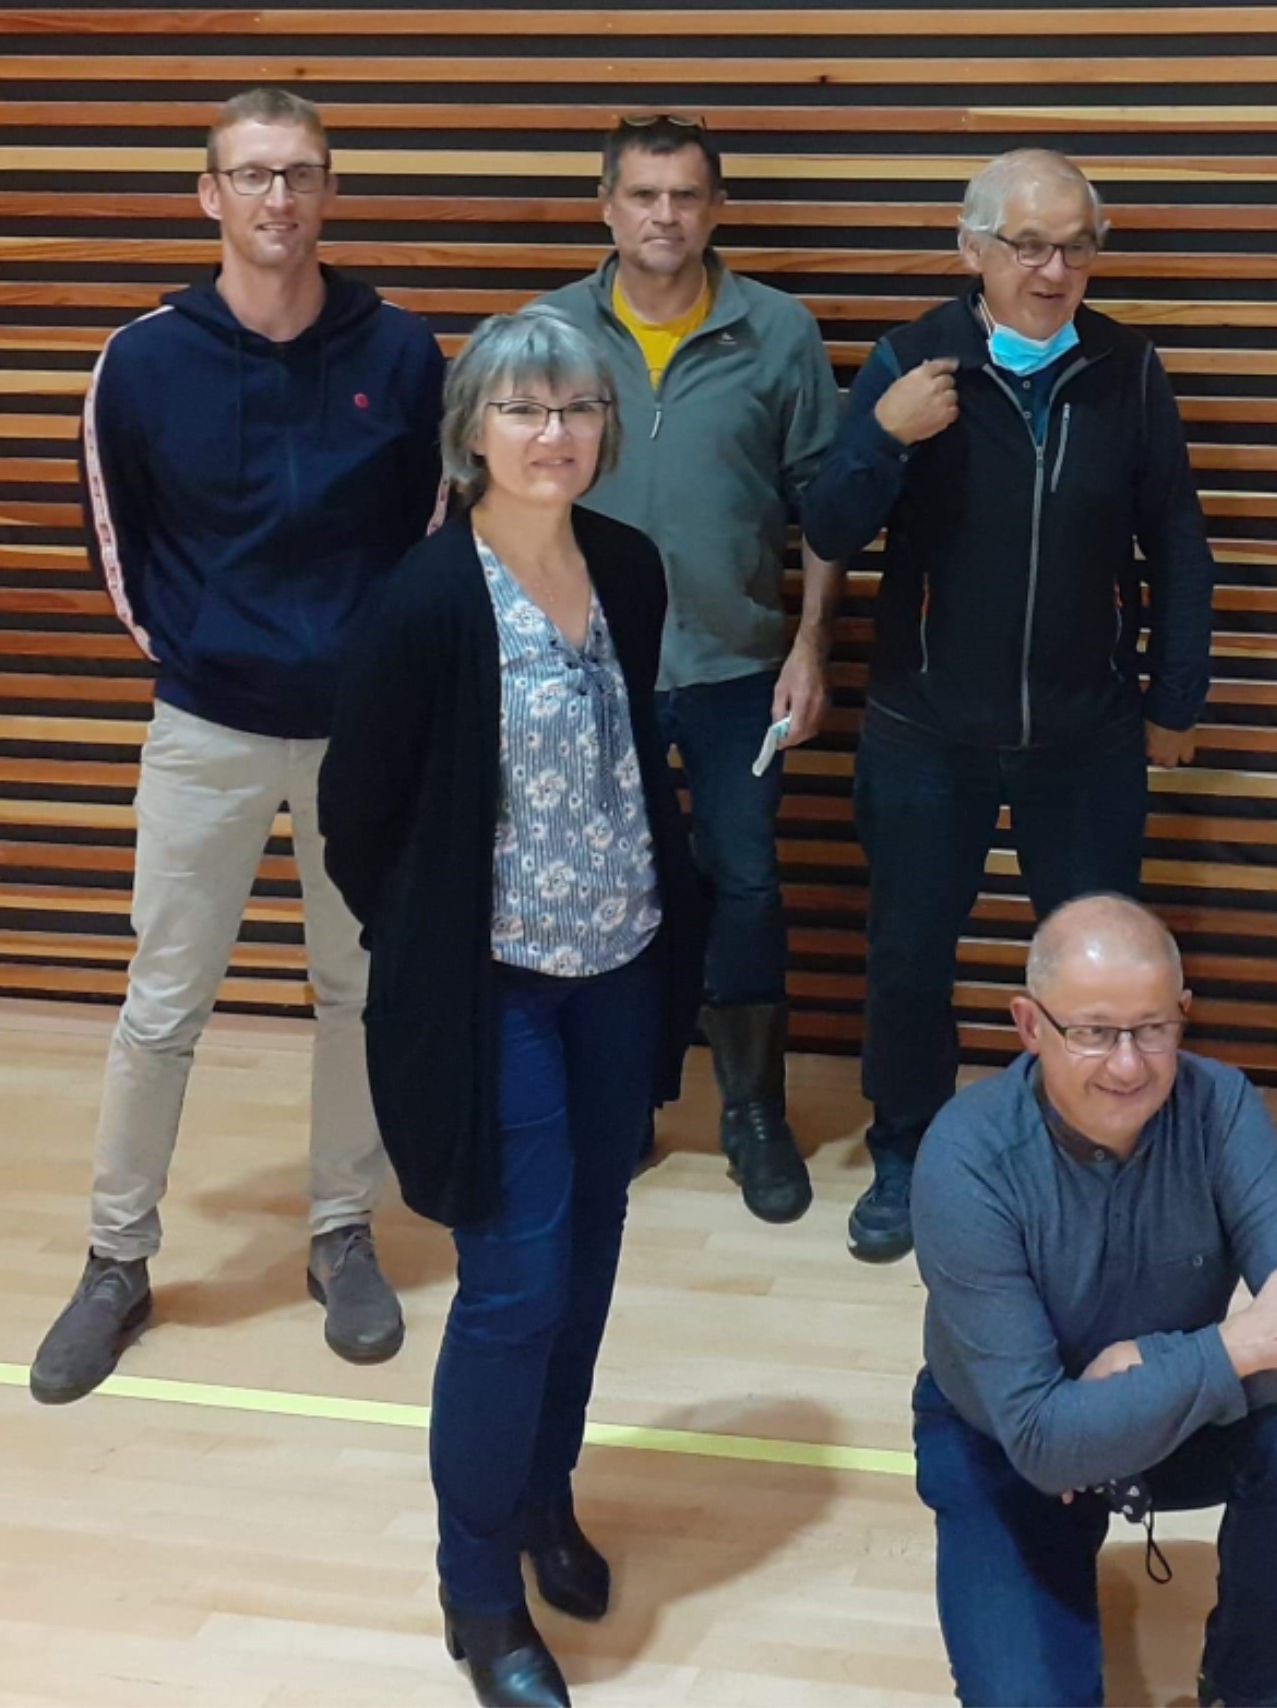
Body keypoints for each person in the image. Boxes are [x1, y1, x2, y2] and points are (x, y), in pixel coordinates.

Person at [31, 87, 446, 1406]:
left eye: (301, 173)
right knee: (163, 1004)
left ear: (330, 192)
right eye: (254, 174)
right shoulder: (144, 360)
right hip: (206, 726)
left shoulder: (404, 350)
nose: (279, 197)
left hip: (361, 739)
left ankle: (341, 1232)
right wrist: (204, 653)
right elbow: (116, 536)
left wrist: (375, 680)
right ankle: (116, 1258)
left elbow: (433, 529)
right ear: (209, 194)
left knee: (356, 992)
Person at [320, 311, 707, 1708]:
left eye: (579, 407)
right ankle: (477, 1590)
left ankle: (546, 1494)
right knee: (513, 1286)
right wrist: (436, 946)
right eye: (525, 410)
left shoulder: (629, 568)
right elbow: (357, 819)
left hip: (622, 971)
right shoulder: (425, 602)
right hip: (495, 997)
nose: (555, 434)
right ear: (470, 432)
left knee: (589, 1259)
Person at [801, 148, 1216, 1266]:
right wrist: (882, 436)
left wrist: (1174, 696)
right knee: (907, 960)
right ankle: (906, 1155)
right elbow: (830, 526)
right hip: (924, 729)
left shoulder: (1127, 370)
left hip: (1085, 735)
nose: (1052, 269)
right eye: (1027, 245)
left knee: (1098, 974)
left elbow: (1177, 543)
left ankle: (1088, 1156)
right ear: (971, 248)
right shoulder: (909, 362)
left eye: (1075, 247)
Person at [909, 895, 1277, 1708]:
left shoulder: (1222, 1106)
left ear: (1182, 1015)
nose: (1127, 1065)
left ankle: (1239, 1690)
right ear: (1029, 1025)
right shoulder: (965, 1157)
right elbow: (1044, 1443)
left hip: (1163, 1418)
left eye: (1152, 1029)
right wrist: (1233, 1347)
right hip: (1006, 1446)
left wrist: (1144, 1364)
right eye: (1092, 1032)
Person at [534, 115, 843, 1216]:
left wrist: (810, 646)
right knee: (598, 885)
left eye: (685, 196)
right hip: (584, 670)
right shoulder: (547, 333)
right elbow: (496, 497)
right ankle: (618, 1097)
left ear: (715, 209)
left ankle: (752, 1109)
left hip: (737, 670)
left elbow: (823, 508)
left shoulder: (779, 331)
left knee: (743, 884)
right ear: (605, 207)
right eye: (643, 195)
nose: (663, 215)